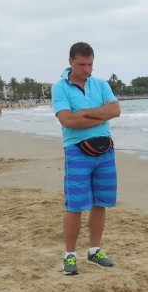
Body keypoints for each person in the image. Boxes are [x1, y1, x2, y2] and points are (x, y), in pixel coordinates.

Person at [52, 41, 121, 275]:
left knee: (101, 202)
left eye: (90, 64)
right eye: (81, 64)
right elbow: (68, 121)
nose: (86, 69)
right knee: (75, 204)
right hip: (77, 150)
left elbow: (115, 111)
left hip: (105, 150)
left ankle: (94, 251)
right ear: (71, 62)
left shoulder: (101, 84)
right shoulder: (59, 87)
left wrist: (83, 113)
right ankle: (69, 256)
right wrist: (99, 116)